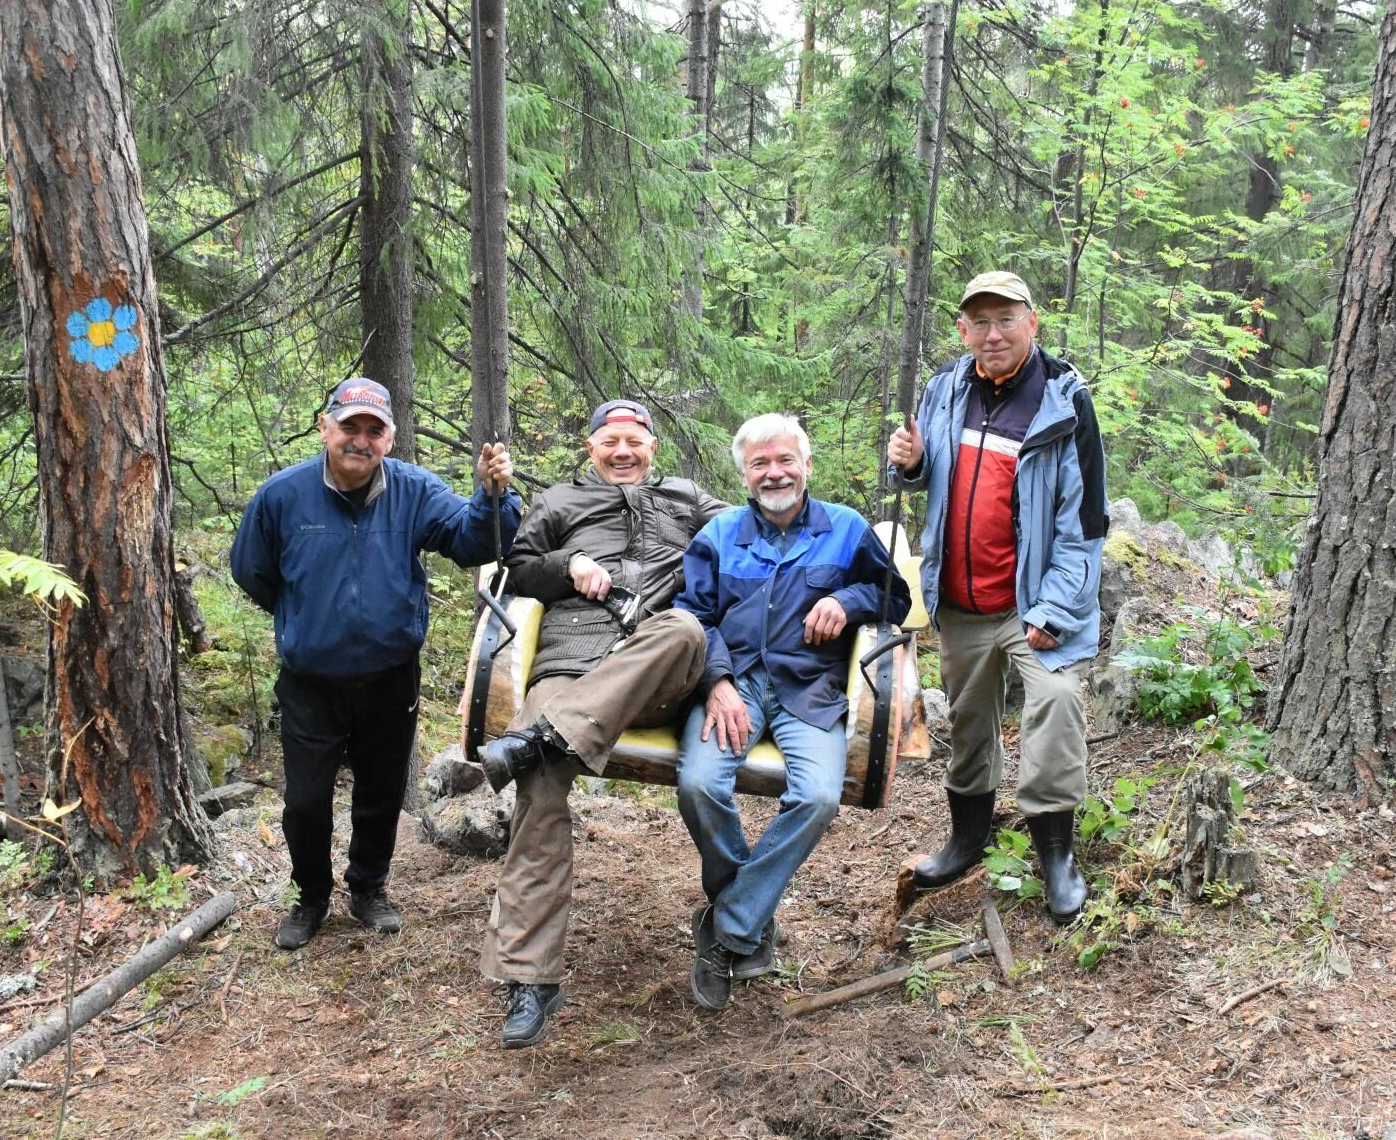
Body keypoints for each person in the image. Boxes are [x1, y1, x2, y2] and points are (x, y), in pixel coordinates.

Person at [231, 377, 520, 950]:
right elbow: (252, 571)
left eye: (374, 430)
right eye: (350, 427)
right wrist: (305, 617)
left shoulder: (412, 490)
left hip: (390, 677)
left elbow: (471, 544)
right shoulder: (282, 496)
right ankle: (310, 896)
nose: (360, 440)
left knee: (381, 791)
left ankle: (368, 889)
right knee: (306, 801)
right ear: (325, 428)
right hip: (311, 681)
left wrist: (494, 497)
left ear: (389, 437)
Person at [476, 399, 728, 1049]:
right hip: (568, 665)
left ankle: (537, 740)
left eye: (633, 441)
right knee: (538, 793)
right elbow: (521, 566)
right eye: (609, 441)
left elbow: (744, 533)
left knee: (681, 626)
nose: (622, 451)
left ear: (652, 447)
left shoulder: (687, 498)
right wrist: (566, 567)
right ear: (590, 448)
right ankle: (531, 979)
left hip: (653, 673)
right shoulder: (559, 501)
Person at [886, 270, 1108, 924]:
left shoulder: (1064, 404)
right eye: (978, 322)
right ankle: (967, 838)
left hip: (1035, 601)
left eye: (1005, 319)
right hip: (958, 598)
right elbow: (927, 478)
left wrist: (1053, 610)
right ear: (962, 330)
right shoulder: (942, 390)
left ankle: (1055, 852)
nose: (992, 334)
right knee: (969, 718)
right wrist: (910, 463)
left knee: (1058, 699)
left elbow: (1084, 523)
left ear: (1031, 323)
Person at [675, 413, 911, 1012]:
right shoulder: (720, 534)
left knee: (818, 797)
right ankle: (749, 921)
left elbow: (896, 597)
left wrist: (846, 598)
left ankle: (727, 926)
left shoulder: (847, 528)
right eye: (760, 464)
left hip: (811, 688)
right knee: (700, 783)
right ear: (744, 474)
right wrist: (717, 681)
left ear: (807, 466)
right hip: (737, 686)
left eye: (785, 461)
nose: (773, 473)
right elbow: (692, 616)